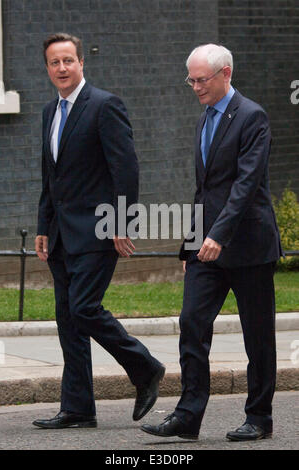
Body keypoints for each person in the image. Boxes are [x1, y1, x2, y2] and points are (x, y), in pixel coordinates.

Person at [141, 44, 282, 442]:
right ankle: (188, 416)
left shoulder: (252, 116)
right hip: (206, 249)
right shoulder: (205, 118)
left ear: (226, 74)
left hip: (249, 246)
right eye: (191, 79)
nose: (195, 87)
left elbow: (245, 185)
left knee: (258, 335)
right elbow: (204, 191)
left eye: (202, 79)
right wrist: (192, 244)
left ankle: (259, 417)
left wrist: (218, 234)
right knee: (192, 322)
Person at [33, 33, 165, 429]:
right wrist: (43, 225)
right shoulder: (48, 113)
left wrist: (123, 222)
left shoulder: (105, 105)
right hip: (60, 235)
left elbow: (126, 169)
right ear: (48, 68)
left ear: (81, 63)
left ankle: (145, 368)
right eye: (54, 62)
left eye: (68, 60)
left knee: (84, 308)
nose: (62, 68)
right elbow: (50, 177)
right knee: (68, 320)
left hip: (98, 231)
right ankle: (77, 408)